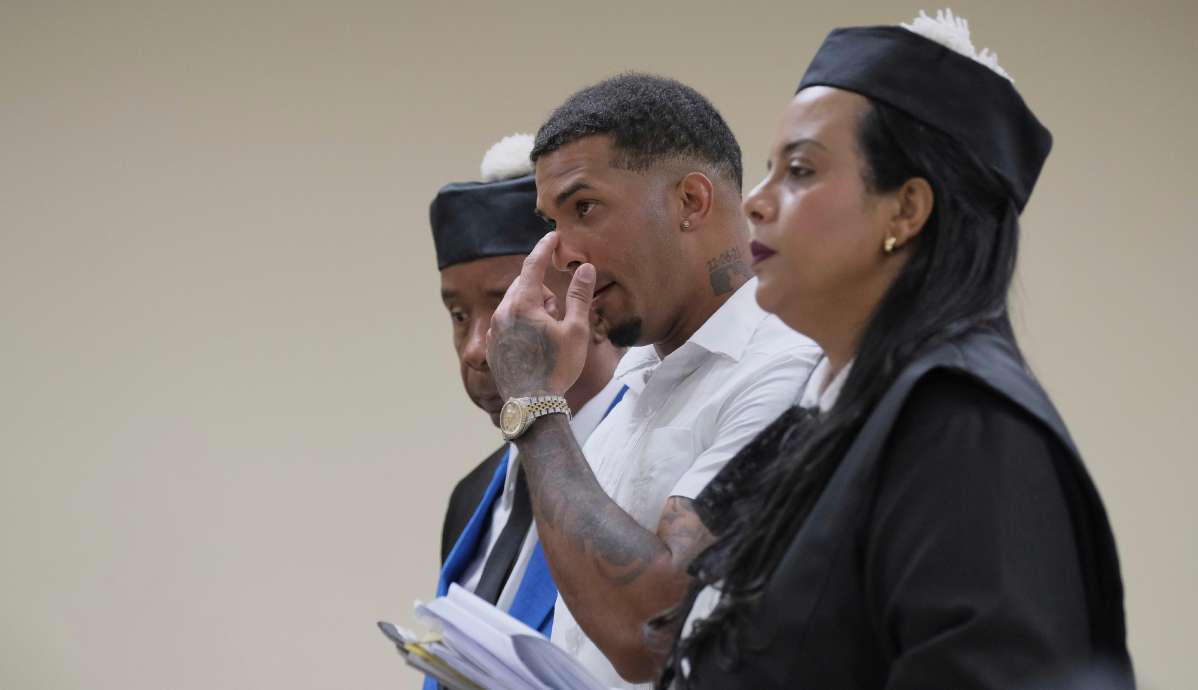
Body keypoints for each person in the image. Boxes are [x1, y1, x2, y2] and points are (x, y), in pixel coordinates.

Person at [657, 11, 1133, 689]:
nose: (756, 203)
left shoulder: (964, 426)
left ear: (906, 211)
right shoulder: (835, 418)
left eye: (799, 169)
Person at [485, 74, 822, 687]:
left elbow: (653, 631)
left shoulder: (787, 371)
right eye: (551, 220)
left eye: (583, 207)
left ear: (692, 201)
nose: (559, 252)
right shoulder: (635, 375)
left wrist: (534, 405)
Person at [430, 134, 624, 670]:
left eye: (505, 306)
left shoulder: (645, 463)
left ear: (589, 292)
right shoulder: (473, 497)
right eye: (458, 316)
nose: (475, 349)